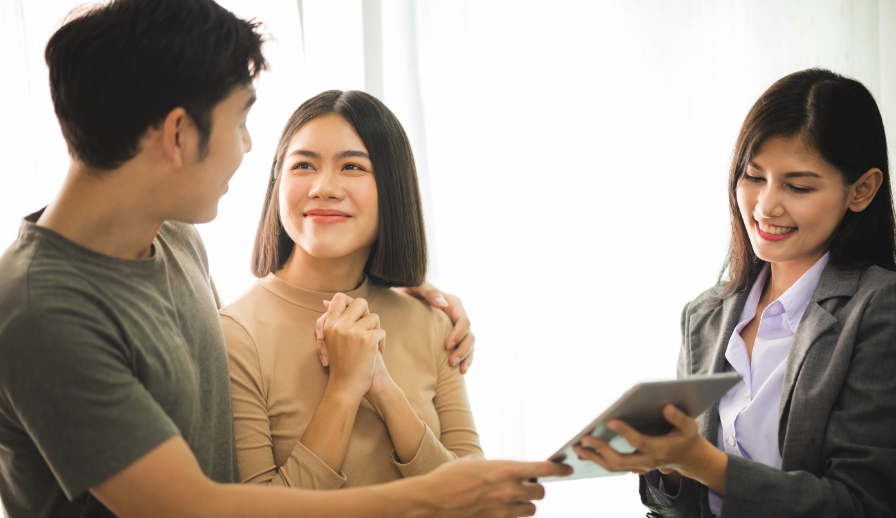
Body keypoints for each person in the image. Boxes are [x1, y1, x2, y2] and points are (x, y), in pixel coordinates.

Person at [0, 1, 569, 517]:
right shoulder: (39, 311)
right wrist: (435, 493)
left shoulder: (170, 236)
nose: (250, 148)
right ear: (177, 135)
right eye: (241, 121)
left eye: (353, 167)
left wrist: (409, 293)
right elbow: (189, 510)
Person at [574, 68, 896, 517]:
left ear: (861, 190)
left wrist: (703, 462)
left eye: (798, 186)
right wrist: (668, 466)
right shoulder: (705, 315)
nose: (766, 206)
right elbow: (684, 508)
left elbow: (863, 505)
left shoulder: (879, 308)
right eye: (753, 176)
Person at [221, 90, 482, 490]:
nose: (324, 187)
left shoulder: (433, 323)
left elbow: (477, 502)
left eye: (353, 167)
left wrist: (384, 390)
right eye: (304, 164)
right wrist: (343, 390)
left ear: (393, 189)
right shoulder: (234, 336)